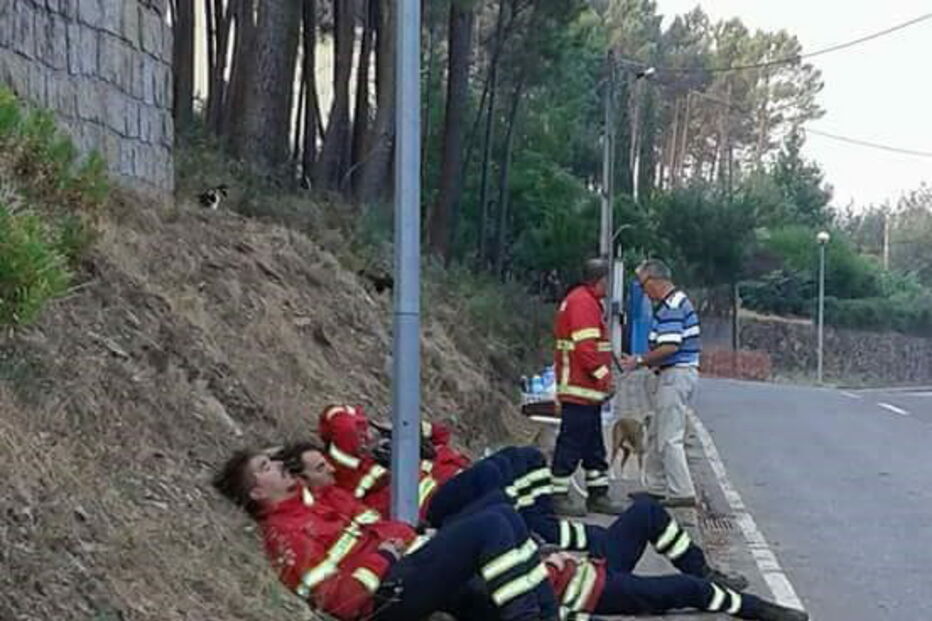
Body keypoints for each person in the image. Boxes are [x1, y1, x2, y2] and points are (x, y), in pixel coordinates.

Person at [212, 443, 559, 621]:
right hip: (384, 597)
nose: (277, 465)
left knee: (504, 514)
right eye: (265, 467)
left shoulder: (310, 502)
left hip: (404, 566)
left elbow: (376, 526)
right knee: (493, 526)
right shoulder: (283, 535)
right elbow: (341, 600)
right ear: (257, 493)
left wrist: (409, 541)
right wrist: (384, 556)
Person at [620, 259, 701, 507]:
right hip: (669, 374)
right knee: (656, 433)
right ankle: (655, 487)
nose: (644, 291)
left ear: (655, 280)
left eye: (644, 284)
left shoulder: (673, 305)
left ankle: (681, 491)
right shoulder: (668, 304)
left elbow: (670, 345)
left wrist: (640, 360)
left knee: (669, 435)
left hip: (675, 374)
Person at [551, 257, 624, 516]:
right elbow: (586, 349)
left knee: (594, 447)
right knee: (572, 443)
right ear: (602, 280)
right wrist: (605, 378)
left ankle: (598, 495)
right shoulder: (583, 303)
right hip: (580, 389)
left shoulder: (583, 300)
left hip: (585, 391)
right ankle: (558, 495)